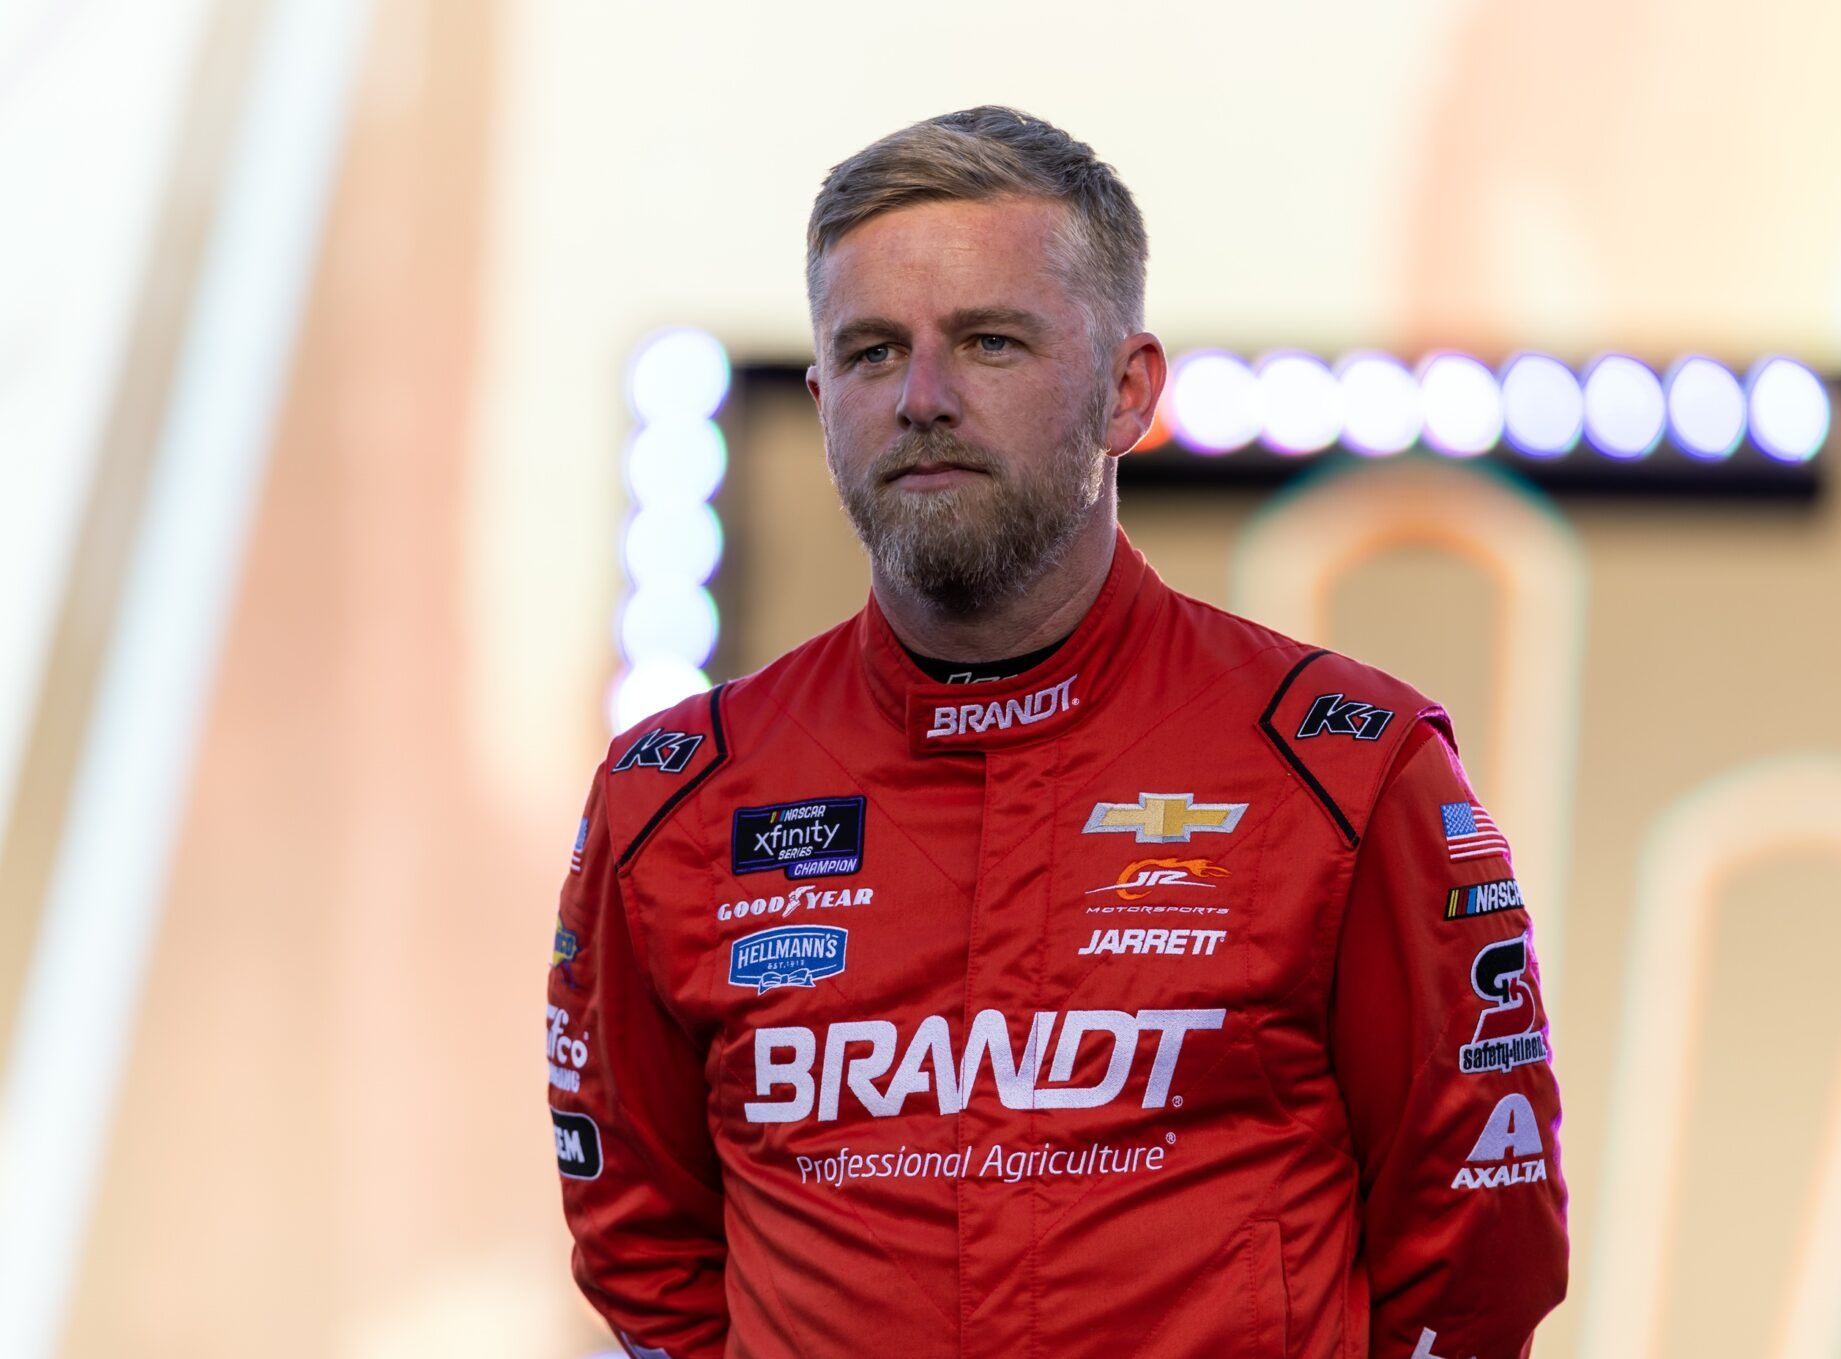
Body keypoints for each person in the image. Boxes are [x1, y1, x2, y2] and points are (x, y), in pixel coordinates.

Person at [546, 106, 1569, 1359]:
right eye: (871, 353)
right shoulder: (676, 800)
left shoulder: (1348, 770)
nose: (923, 398)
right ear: (820, 401)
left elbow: (1477, 1247)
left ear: (1126, 390)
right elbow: (642, 1236)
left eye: (989, 343)